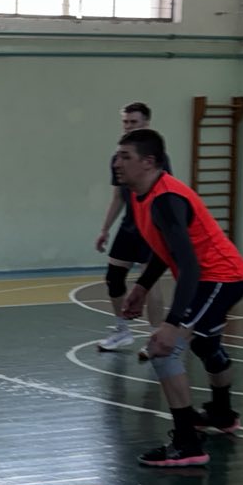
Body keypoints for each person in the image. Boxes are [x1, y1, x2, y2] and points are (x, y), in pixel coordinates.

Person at [116, 127, 243, 467]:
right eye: (118, 156)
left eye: (126, 157)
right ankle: (222, 414)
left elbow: (189, 266)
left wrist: (172, 324)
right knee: (205, 345)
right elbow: (165, 250)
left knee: (163, 348)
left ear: (148, 162)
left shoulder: (166, 200)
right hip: (216, 276)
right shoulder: (142, 196)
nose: (117, 163)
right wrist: (142, 286)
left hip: (219, 277)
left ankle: (188, 443)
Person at [96, 101, 164, 352]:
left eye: (133, 122)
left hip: (150, 226)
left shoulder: (154, 157)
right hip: (128, 227)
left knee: (150, 281)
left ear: (146, 123)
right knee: (113, 278)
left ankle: (156, 338)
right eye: (125, 121)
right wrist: (105, 229)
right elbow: (117, 197)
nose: (128, 126)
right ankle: (122, 330)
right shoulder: (118, 158)